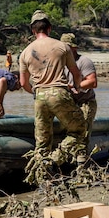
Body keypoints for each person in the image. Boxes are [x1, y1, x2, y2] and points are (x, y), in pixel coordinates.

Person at [18, 10, 88, 165]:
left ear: (33, 30)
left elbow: (23, 83)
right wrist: (77, 88)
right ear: (49, 28)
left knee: (42, 143)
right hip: (59, 93)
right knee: (79, 128)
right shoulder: (62, 46)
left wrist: (36, 92)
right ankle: (56, 158)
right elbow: (76, 73)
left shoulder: (25, 53)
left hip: (40, 98)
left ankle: (43, 178)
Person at [60, 33, 98, 147]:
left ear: (74, 48)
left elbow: (92, 82)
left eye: (68, 48)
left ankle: (82, 159)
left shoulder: (83, 61)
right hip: (69, 103)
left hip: (84, 102)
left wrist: (76, 86)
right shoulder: (60, 63)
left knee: (83, 134)